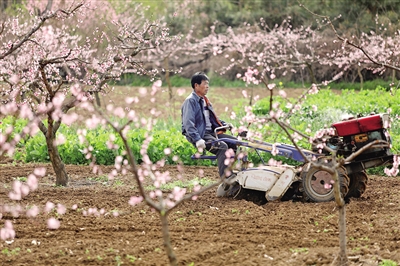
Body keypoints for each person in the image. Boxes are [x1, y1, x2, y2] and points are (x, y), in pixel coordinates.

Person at [181, 72, 238, 182]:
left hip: (211, 133)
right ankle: (226, 179)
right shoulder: (190, 101)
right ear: (196, 85)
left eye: (208, 84)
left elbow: (211, 119)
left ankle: (231, 171)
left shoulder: (204, 100)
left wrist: (225, 124)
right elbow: (188, 124)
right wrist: (197, 139)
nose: (207, 86)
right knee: (222, 147)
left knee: (236, 143)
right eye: (205, 84)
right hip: (201, 135)